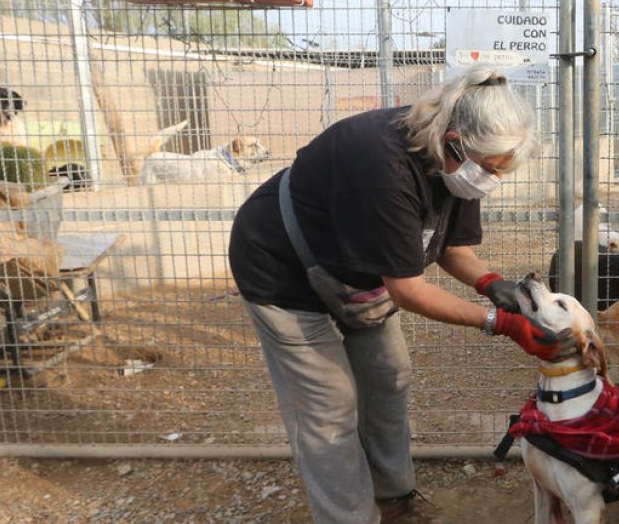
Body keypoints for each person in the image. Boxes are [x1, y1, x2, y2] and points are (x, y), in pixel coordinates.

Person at [229, 68, 571, 523]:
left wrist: (490, 283)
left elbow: (452, 247)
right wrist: (499, 323)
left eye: (499, 171)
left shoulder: (460, 166)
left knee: (390, 374)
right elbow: (408, 289)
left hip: (355, 267)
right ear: (453, 142)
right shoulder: (381, 164)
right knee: (329, 406)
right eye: (489, 170)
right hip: (280, 265)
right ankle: (351, 517)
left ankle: (394, 501)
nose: (490, 180)